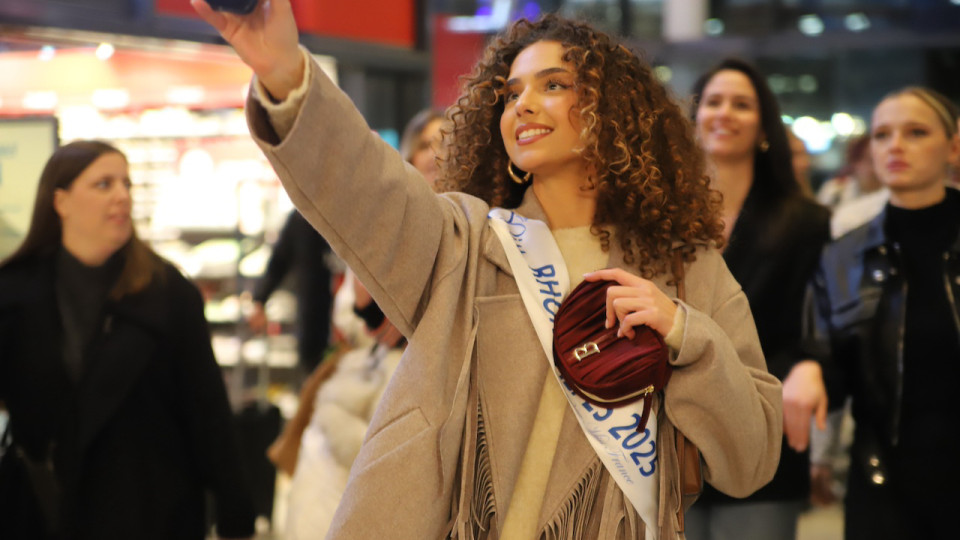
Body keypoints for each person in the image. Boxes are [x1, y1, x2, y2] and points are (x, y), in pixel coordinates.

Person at [192, 2, 783, 538]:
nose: (523, 103)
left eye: (555, 85)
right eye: (510, 91)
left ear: (613, 112)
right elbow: (362, 183)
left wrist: (683, 333)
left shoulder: (685, 269)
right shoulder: (466, 243)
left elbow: (752, 457)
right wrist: (284, 72)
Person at [0, 141, 255, 540]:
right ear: (61, 202)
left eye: (127, 184)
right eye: (103, 184)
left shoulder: (167, 292)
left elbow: (207, 411)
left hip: (151, 509)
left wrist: (235, 510)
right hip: (43, 510)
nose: (122, 196)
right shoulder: (15, 293)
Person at [803, 86, 960, 540]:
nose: (895, 145)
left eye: (915, 132)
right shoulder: (844, 255)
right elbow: (830, 365)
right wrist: (810, 368)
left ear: (952, 147)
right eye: (882, 134)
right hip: (884, 477)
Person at [684, 58, 831, 540]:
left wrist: (811, 364)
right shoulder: (657, 216)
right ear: (695, 116)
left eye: (742, 104)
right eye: (714, 101)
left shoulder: (806, 221)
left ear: (764, 125)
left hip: (763, 425)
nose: (725, 113)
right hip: (674, 431)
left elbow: (816, 324)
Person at [248, 208, 335, 372]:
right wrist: (260, 300)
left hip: (353, 331)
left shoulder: (352, 212)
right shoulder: (301, 217)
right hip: (313, 330)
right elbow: (278, 263)